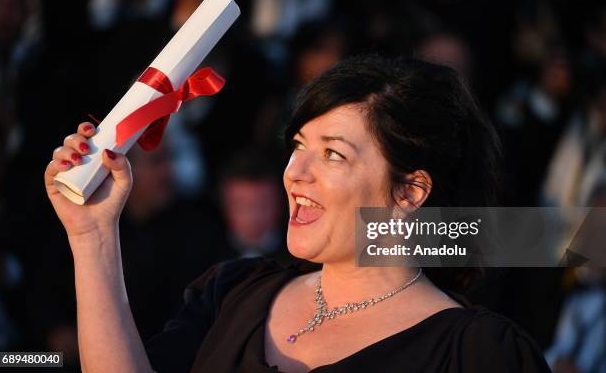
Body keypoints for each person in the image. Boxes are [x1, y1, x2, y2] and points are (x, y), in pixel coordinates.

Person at [43, 55, 550, 372]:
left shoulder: (478, 352)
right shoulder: (233, 291)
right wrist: (93, 237)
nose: (295, 172)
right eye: (299, 145)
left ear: (411, 191)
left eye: (333, 154)